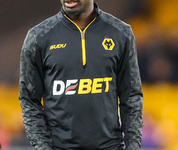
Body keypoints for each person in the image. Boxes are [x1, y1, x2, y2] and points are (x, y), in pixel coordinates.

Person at [19, 0, 143, 150]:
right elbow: (29, 100)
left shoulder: (121, 33)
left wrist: (133, 146)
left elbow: (131, 97)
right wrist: (43, 147)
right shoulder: (38, 37)